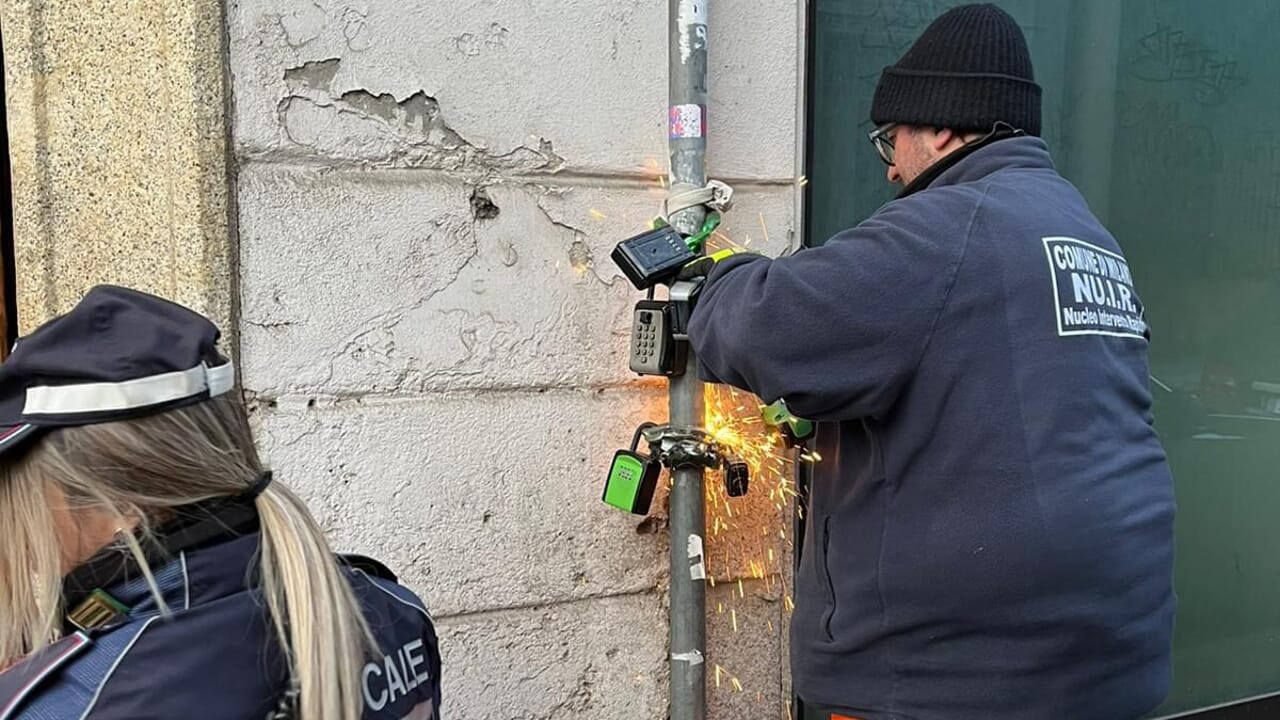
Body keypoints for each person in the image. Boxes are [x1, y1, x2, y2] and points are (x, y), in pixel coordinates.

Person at [685, 5, 1175, 720]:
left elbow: (767, 327)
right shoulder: (1081, 231)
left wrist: (717, 276)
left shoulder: (950, 227)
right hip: (1104, 662)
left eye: (892, 137)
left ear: (941, 128)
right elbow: (984, 389)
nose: (889, 165)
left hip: (955, 683)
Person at [0, 285, 441, 719]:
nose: (18, 533)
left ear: (122, 507)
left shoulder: (76, 702)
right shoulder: (392, 608)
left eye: (22, 500)